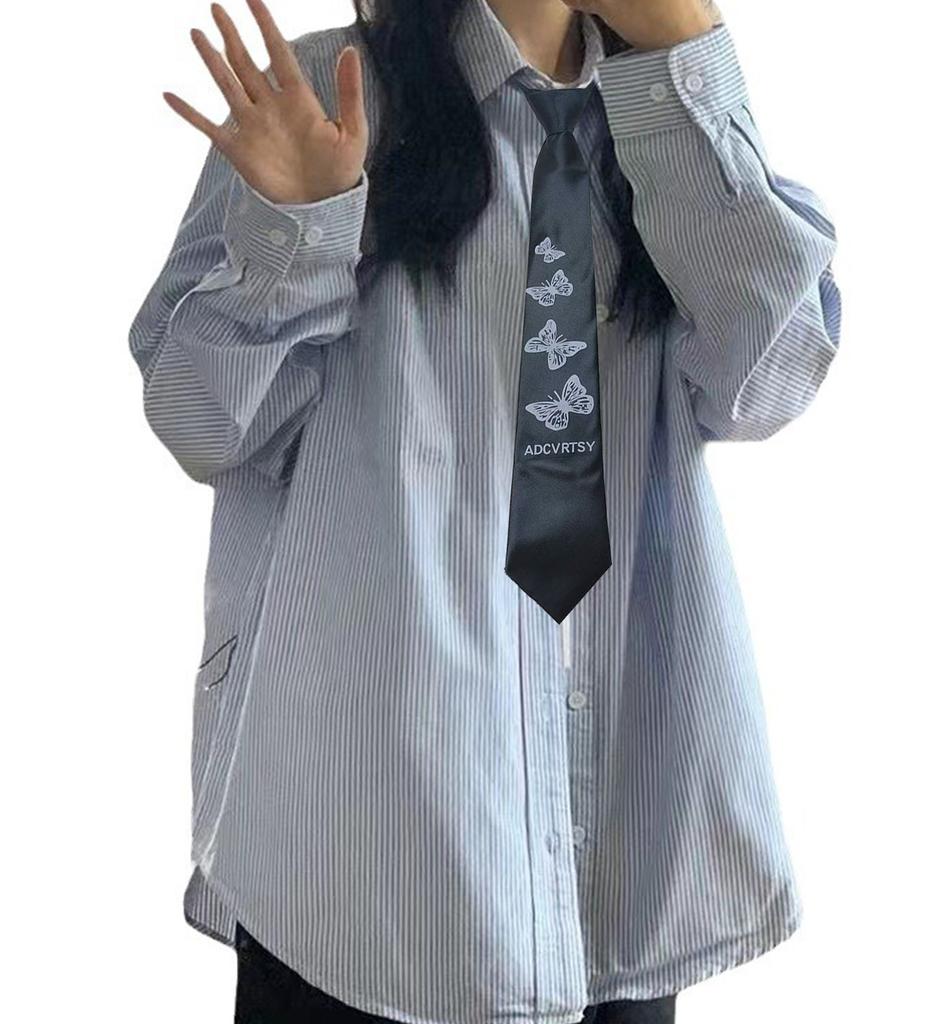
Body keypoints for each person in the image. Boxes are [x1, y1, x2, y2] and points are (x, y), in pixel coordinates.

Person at [129, 0, 842, 1022]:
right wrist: (299, 229)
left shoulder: (678, 113)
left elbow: (766, 386)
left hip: (621, 837)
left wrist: (688, 53)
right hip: (362, 854)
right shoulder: (325, 96)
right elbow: (202, 424)